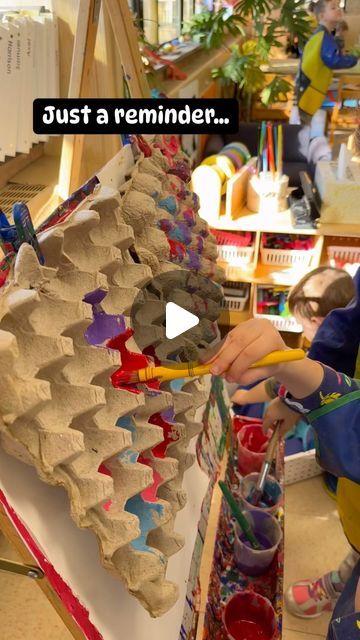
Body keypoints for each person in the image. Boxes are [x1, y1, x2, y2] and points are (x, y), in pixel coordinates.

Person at [208, 317, 360, 640]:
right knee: (356, 544)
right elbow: (343, 336)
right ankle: (343, 577)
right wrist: (295, 388)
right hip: (356, 494)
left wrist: (298, 377)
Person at [231, 266, 355, 408]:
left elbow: (277, 387)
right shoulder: (347, 334)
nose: (303, 332)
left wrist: (245, 397)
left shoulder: (326, 352)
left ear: (316, 322)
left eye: (302, 325)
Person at [296, 0, 358, 126]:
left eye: (339, 6)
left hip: (309, 88)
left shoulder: (323, 35)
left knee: (308, 126)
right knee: (306, 129)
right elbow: (333, 60)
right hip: (309, 90)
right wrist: (354, 60)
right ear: (322, 16)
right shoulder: (323, 36)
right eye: (333, 7)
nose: (338, 9)